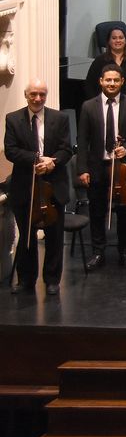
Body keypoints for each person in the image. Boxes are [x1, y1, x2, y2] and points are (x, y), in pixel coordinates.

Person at [77, 64, 126, 271]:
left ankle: (124, 252)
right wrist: (82, 169)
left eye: (116, 80)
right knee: (97, 210)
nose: (112, 84)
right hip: (98, 166)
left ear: (122, 82)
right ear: (101, 81)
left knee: (125, 211)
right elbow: (82, 140)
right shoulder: (88, 106)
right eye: (108, 80)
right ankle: (98, 251)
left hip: (123, 168)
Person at [4, 80, 73, 295]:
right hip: (25, 185)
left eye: (42, 94)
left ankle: (52, 280)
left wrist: (52, 162)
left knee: (54, 235)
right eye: (33, 94)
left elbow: (66, 149)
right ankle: (26, 279)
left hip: (54, 184)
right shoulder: (13, 119)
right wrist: (36, 159)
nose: (38, 98)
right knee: (26, 236)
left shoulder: (60, 118)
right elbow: (10, 151)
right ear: (26, 95)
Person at [86, 25, 126, 98]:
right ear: (109, 41)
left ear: (125, 40)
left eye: (121, 38)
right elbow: (89, 85)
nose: (118, 40)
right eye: (114, 38)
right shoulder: (100, 60)